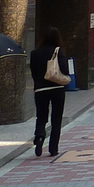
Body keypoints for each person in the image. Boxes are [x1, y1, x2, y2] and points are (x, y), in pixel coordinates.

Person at [29, 27, 69, 158]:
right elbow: (64, 69)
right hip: (57, 88)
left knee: (41, 116)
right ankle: (53, 148)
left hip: (40, 89)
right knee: (56, 118)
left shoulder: (35, 53)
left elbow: (33, 72)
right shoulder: (58, 51)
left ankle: (39, 136)